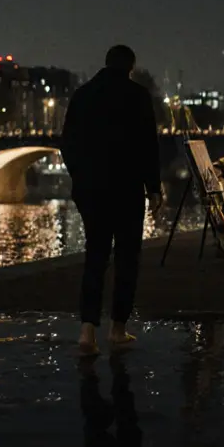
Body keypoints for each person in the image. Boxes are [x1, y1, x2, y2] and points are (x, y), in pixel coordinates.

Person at [62, 44, 163, 355]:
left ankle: (87, 330)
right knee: (127, 259)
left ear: (105, 64)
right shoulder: (138, 96)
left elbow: (67, 143)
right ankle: (118, 328)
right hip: (127, 188)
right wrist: (154, 187)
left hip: (93, 190)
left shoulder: (82, 95)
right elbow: (149, 145)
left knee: (95, 256)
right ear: (130, 67)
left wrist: (80, 179)